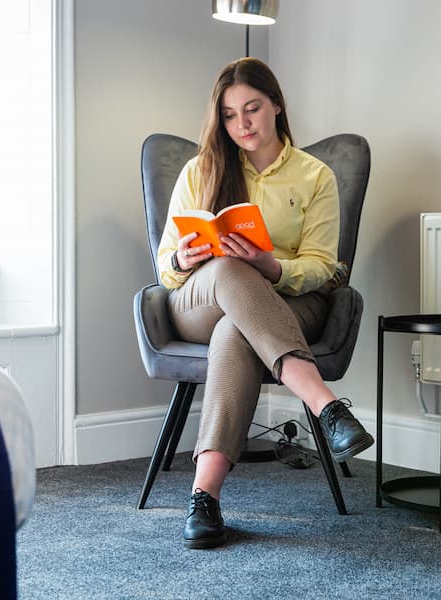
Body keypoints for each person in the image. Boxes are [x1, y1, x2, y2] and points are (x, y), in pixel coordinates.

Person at [155, 57, 374, 549]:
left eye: (252, 109)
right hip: (199, 299)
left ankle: (204, 497)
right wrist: (189, 257)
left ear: (276, 104)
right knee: (231, 271)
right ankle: (326, 406)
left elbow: (324, 266)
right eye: (230, 115)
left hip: (288, 301)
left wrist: (271, 265)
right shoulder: (201, 170)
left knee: (237, 328)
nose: (243, 124)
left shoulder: (315, 176)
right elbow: (165, 267)